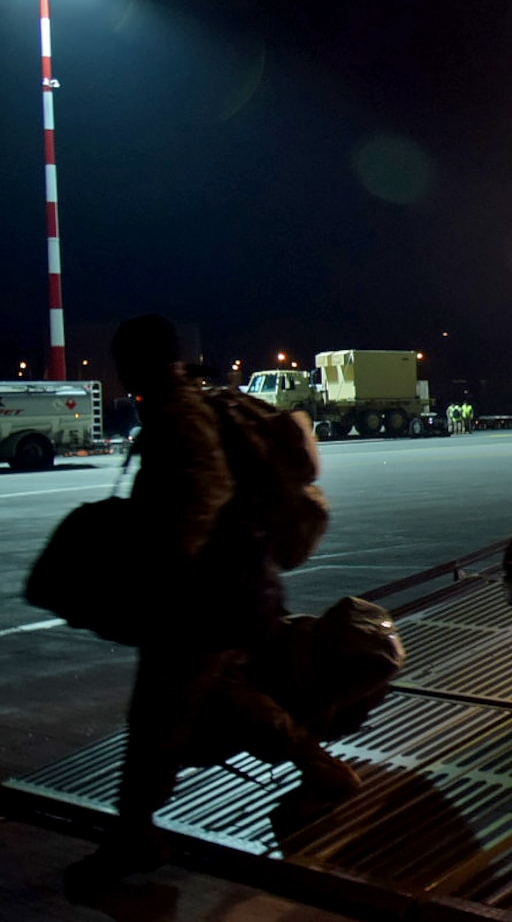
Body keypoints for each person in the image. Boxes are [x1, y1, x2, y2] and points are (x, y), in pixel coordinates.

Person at [70, 315, 357, 891]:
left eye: (125, 362)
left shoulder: (182, 418)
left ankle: (134, 835)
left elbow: (197, 504)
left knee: (158, 717)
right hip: (226, 591)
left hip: (205, 598)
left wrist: (162, 572)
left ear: (142, 363)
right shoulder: (187, 407)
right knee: (222, 700)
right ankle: (324, 773)